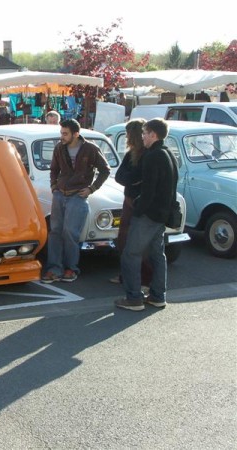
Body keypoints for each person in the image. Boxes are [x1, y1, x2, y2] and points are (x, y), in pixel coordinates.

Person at [116, 118, 177, 311]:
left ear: (153, 134)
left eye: (144, 133)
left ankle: (134, 298)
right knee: (157, 255)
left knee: (131, 254)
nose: (142, 137)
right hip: (161, 214)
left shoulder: (153, 155)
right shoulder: (168, 153)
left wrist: (139, 208)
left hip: (148, 215)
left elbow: (149, 189)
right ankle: (158, 296)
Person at [41, 119, 110, 283]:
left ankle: (71, 268)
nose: (62, 136)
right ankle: (54, 268)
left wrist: (91, 189)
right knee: (55, 232)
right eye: (61, 133)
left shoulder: (90, 149)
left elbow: (105, 170)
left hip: (78, 196)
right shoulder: (59, 148)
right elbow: (54, 169)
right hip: (60, 194)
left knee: (71, 233)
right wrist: (53, 186)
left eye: (65, 133)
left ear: (76, 134)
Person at [109, 119, 152, 287]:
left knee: (137, 242)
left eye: (128, 134)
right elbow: (120, 176)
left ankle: (143, 279)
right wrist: (132, 181)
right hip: (130, 199)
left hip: (138, 202)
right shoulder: (132, 153)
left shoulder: (146, 154)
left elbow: (131, 177)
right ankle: (127, 275)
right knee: (125, 241)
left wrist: (132, 181)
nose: (126, 137)